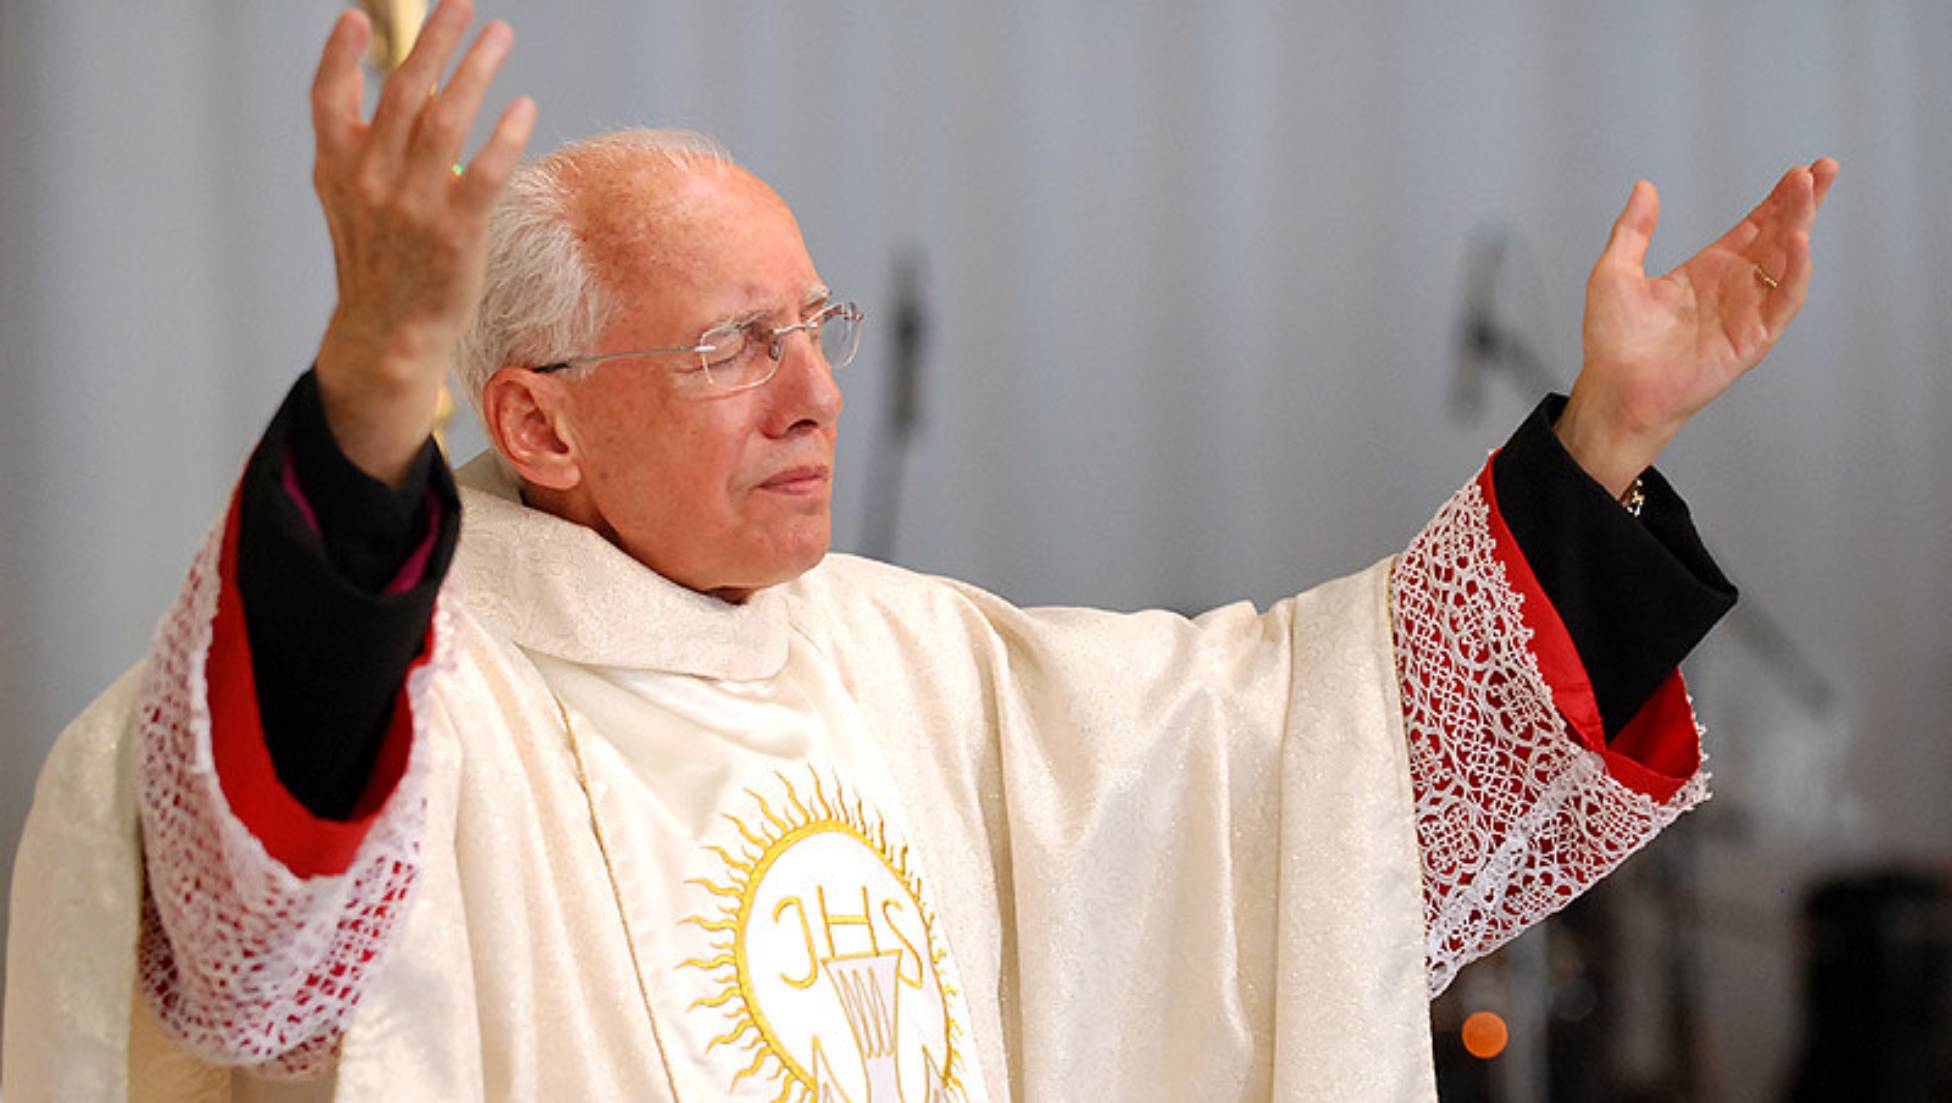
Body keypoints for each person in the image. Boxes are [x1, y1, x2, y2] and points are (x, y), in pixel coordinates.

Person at [2, 2, 1837, 1100]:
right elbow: (252, 940)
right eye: (732, 347)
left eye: (816, 327)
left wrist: (1609, 441)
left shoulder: (924, 668)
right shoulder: (415, 715)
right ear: (539, 424)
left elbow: (1321, 778)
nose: (815, 394)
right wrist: (369, 381)